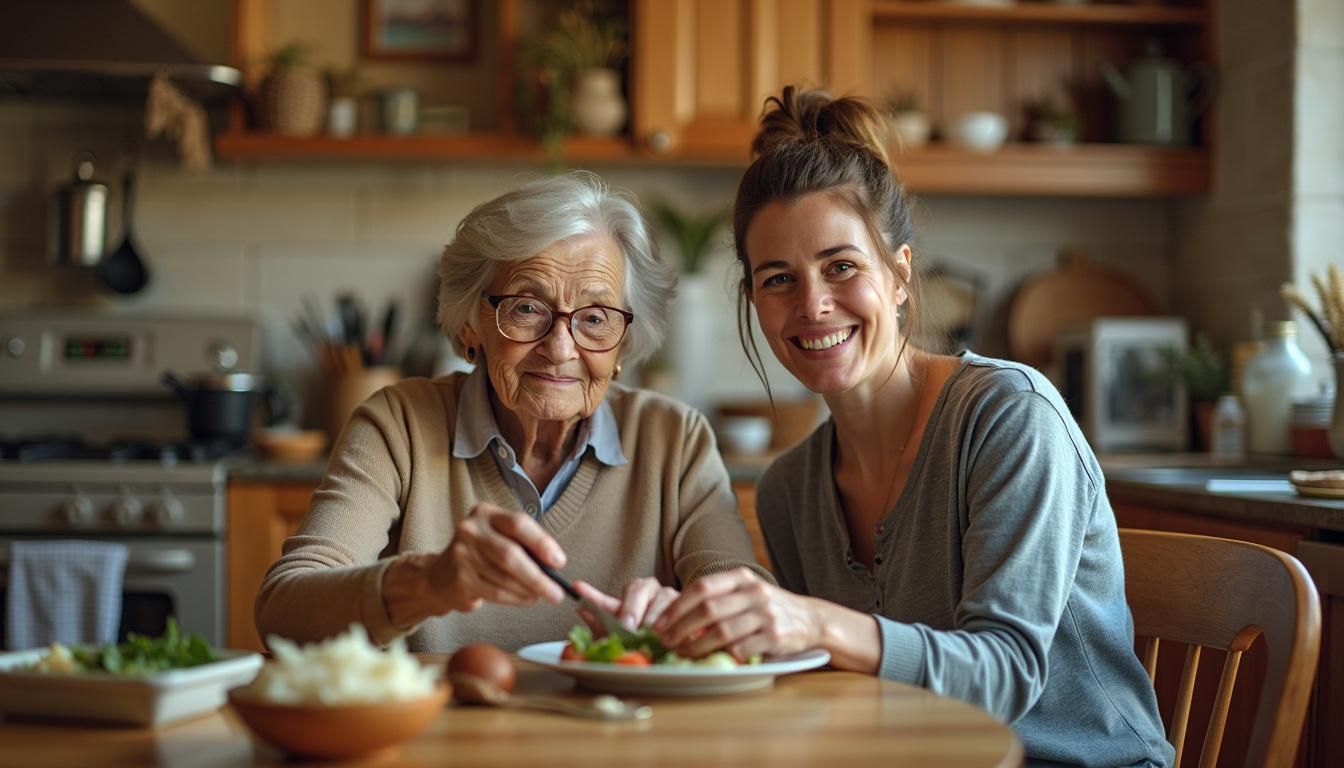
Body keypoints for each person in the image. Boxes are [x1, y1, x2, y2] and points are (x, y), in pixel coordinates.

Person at [650, 88, 1174, 767]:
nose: (812, 305)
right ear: (754, 300)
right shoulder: (788, 490)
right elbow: (832, 688)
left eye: (841, 267)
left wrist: (812, 623)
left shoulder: (1010, 417)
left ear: (899, 275)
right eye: (778, 279)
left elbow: (1005, 674)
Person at [256, 171, 769, 652]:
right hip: (437, 740)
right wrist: (428, 583)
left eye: (594, 318)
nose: (561, 349)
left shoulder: (675, 442)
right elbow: (285, 609)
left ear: (623, 346)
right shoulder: (399, 427)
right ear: (470, 325)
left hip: (622, 737)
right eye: (526, 308)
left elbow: (752, 611)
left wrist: (693, 613)